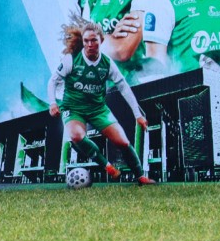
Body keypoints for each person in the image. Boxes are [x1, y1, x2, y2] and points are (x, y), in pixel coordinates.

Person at [48, 18, 154, 184]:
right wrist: (53, 103)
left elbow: (124, 87)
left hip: (98, 109)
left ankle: (141, 176)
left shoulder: (107, 63)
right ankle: (108, 166)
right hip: (73, 108)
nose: (90, 44)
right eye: (86, 41)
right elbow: (52, 81)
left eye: (94, 40)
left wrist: (137, 115)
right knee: (76, 136)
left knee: (123, 142)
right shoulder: (71, 59)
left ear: (101, 40)